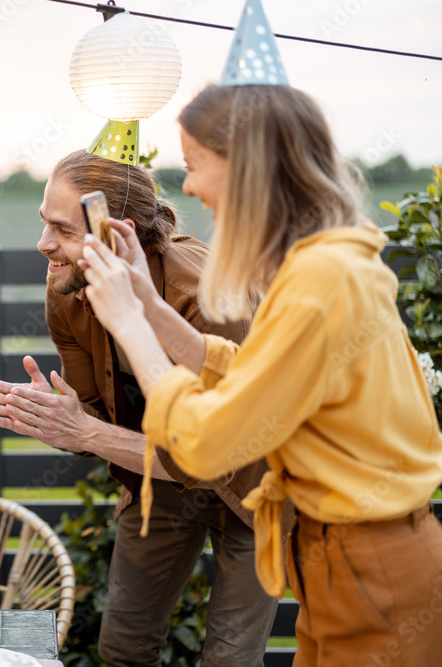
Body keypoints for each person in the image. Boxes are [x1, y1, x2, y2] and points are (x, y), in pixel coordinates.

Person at [81, 82, 442, 665]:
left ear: (250, 168)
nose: (190, 185)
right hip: (347, 565)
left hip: (372, 577)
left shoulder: (318, 282)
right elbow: (254, 373)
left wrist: (131, 328)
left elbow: (204, 442)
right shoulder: (328, 262)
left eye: (197, 163)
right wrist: (150, 304)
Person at [0, 146, 281, 666]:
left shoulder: (207, 297)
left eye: (65, 230)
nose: (44, 244)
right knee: (123, 647)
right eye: (44, 222)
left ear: (120, 234)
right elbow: (94, 412)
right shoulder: (68, 287)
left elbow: (210, 456)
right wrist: (60, 419)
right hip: (157, 472)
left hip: (254, 474)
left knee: (231, 656)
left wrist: (86, 434)